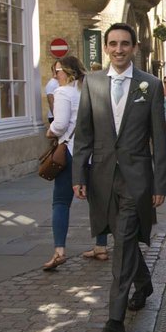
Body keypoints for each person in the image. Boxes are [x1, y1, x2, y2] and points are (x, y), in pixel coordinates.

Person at [72, 24, 166, 332]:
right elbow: (84, 134)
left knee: (124, 242)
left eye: (124, 44)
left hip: (136, 179)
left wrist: (160, 184)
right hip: (101, 178)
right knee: (120, 237)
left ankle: (115, 320)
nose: (118, 49)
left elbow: (158, 138)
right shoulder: (92, 82)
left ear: (134, 47)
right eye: (112, 44)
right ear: (106, 47)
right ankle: (144, 283)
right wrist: (78, 176)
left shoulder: (150, 85)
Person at [41, 55, 108, 270]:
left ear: (68, 72)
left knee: (60, 201)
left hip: (70, 152)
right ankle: (101, 246)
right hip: (93, 152)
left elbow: (59, 125)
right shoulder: (89, 89)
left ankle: (59, 251)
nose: (55, 75)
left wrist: (50, 131)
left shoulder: (63, 92)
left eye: (58, 70)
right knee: (97, 200)